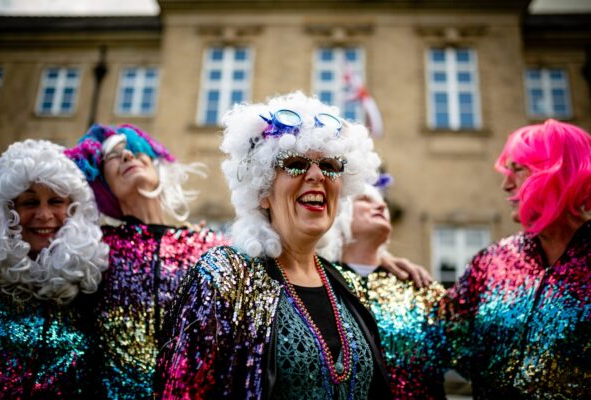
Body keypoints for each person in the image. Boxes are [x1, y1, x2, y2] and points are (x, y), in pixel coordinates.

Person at [157, 92, 390, 399]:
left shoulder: (348, 287)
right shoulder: (224, 277)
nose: (317, 175)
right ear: (263, 191)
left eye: (331, 165)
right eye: (295, 163)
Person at [66, 124, 228, 399]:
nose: (128, 156)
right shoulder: (94, 250)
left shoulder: (210, 247)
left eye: (134, 149)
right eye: (113, 156)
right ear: (103, 183)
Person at [441, 119, 591, 398]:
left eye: (518, 170)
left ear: (560, 173)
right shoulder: (491, 261)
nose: (505, 185)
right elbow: (435, 336)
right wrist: (375, 263)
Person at [0, 139, 108, 398]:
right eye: (30, 203)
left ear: (74, 209)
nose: (44, 215)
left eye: (55, 201)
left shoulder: (96, 279)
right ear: (7, 211)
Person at [318, 183, 448, 399]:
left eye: (382, 202)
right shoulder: (318, 282)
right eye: (365, 200)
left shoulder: (417, 285)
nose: (380, 205)